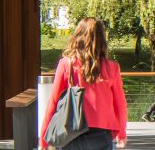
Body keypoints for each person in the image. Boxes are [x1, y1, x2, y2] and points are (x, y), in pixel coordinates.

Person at [41, 18, 127, 149]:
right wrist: (121, 132)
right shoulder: (112, 68)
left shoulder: (66, 64)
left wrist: (43, 139)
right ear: (102, 39)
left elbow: (53, 102)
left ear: (77, 36)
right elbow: (119, 104)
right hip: (102, 132)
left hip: (71, 131)